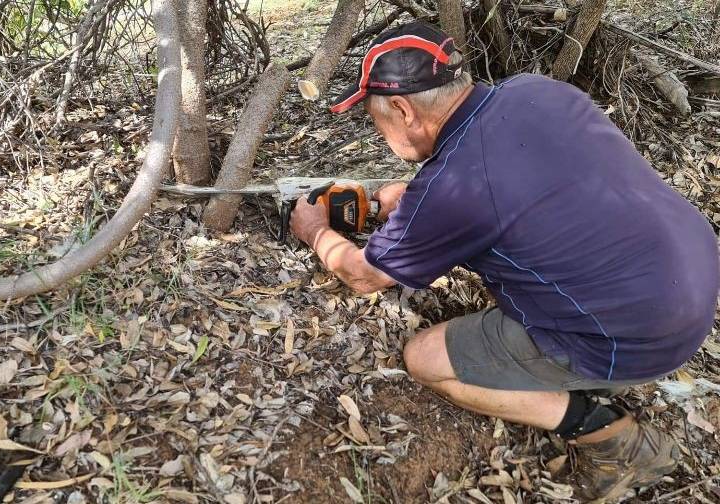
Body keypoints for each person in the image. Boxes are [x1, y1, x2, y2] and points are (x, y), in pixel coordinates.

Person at [289, 21, 719, 502]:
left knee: (424, 360)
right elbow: (526, 180)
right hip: (692, 279)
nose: (377, 128)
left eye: (374, 117)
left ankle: (608, 434)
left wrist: (314, 231)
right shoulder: (535, 90)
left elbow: (362, 275)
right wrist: (414, 200)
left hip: (638, 336)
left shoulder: (452, 188)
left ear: (403, 109)